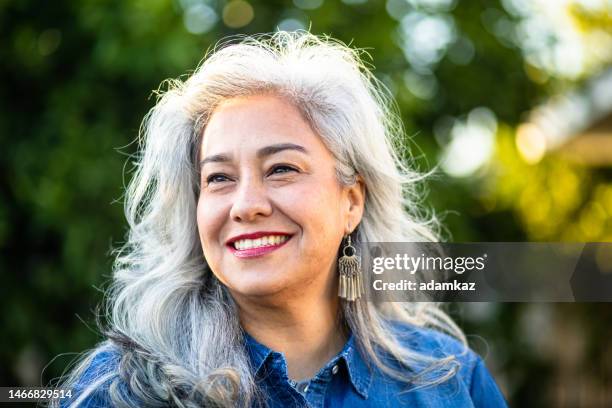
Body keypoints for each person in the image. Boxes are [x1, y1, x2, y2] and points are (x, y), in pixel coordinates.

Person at [54, 31, 508, 407]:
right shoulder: (117, 390)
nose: (246, 204)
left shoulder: (450, 382)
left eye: (281, 169)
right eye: (218, 178)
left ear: (351, 202)